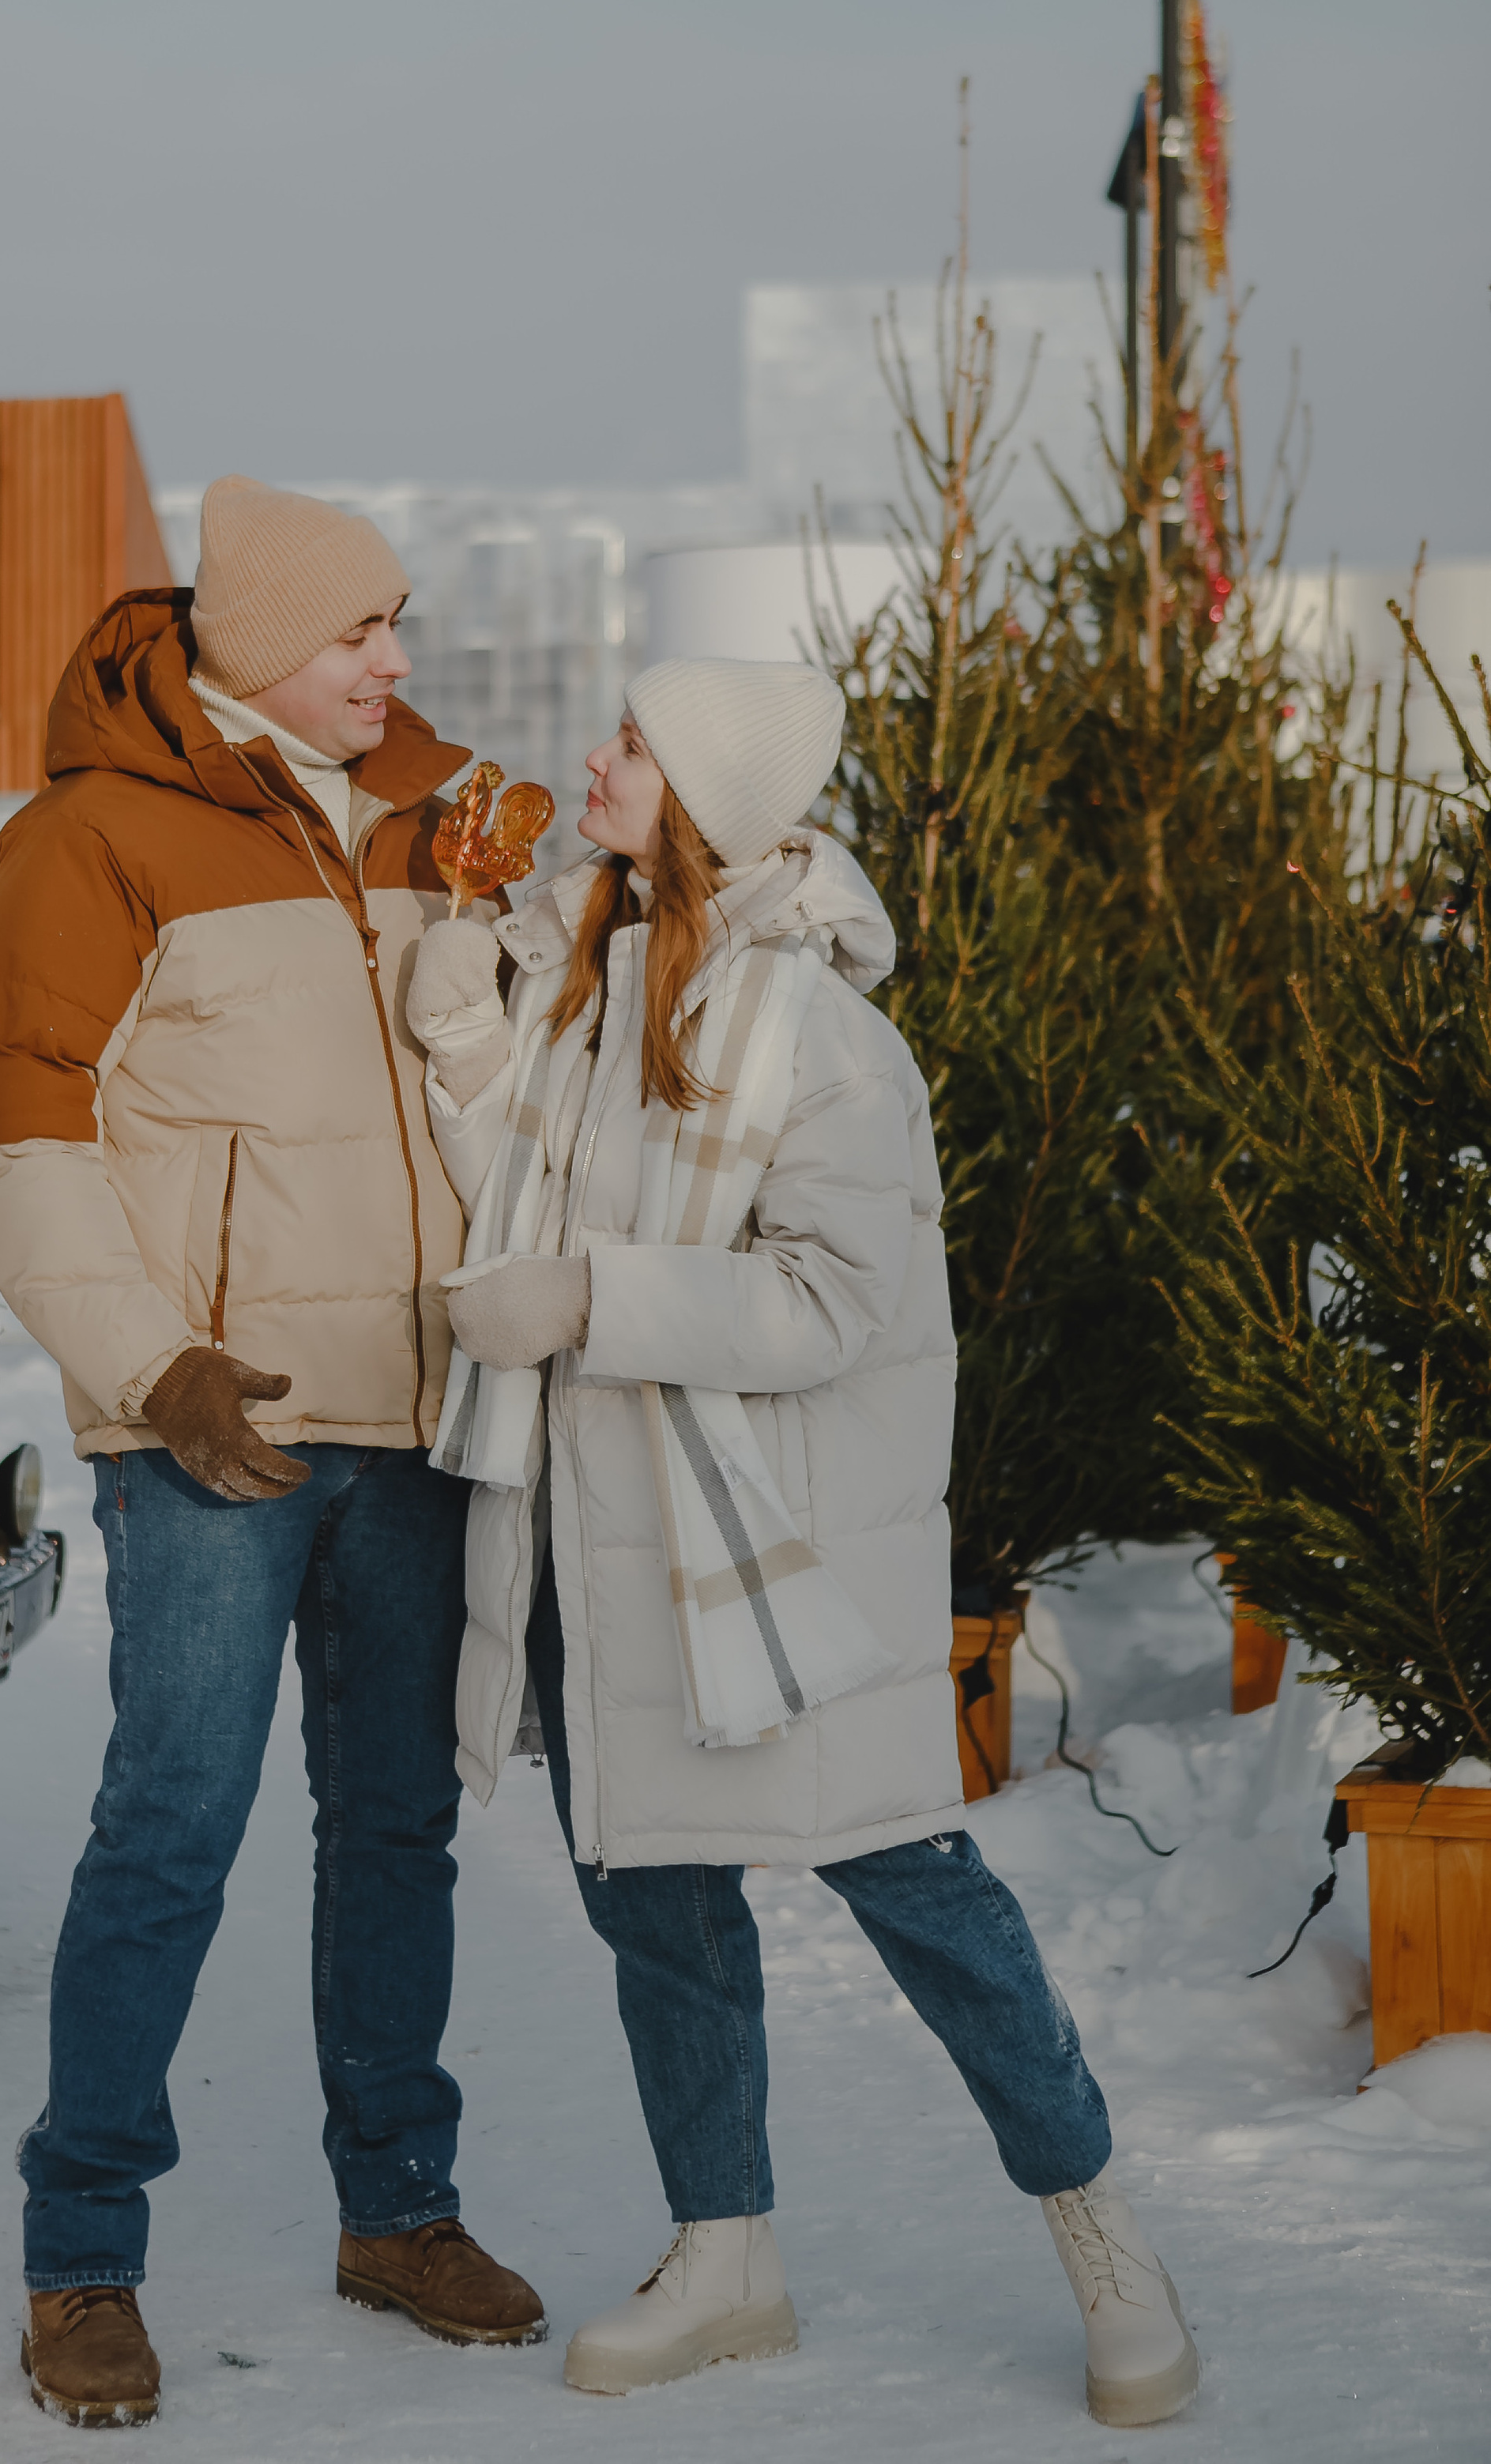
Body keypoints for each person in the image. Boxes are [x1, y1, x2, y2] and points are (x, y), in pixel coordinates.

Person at [403, 657, 1198, 2432]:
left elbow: (832, 1300)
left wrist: (592, 1298)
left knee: (920, 1893)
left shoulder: (818, 1031)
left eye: (630, 743)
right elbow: (521, 1187)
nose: (590, 757)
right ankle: (725, 2255)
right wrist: (466, 1034)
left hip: (771, 1563)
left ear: (701, 795)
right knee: (656, 1909)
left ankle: (1100, 2231)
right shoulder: (588, 975)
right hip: (596, 1542)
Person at [0, 477, 547, 2428]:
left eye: (395, 624)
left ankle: (400, 2212)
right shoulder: (92, 837)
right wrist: (153, 1365)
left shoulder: (427, 816)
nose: (395, 660)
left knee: (394, 1830)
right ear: (263, 640)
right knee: (169, 1832)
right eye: (360, 629)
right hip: (215, 1428)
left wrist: (520, 901)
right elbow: (12, 1134)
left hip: (415, 1416)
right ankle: (80, 2255)